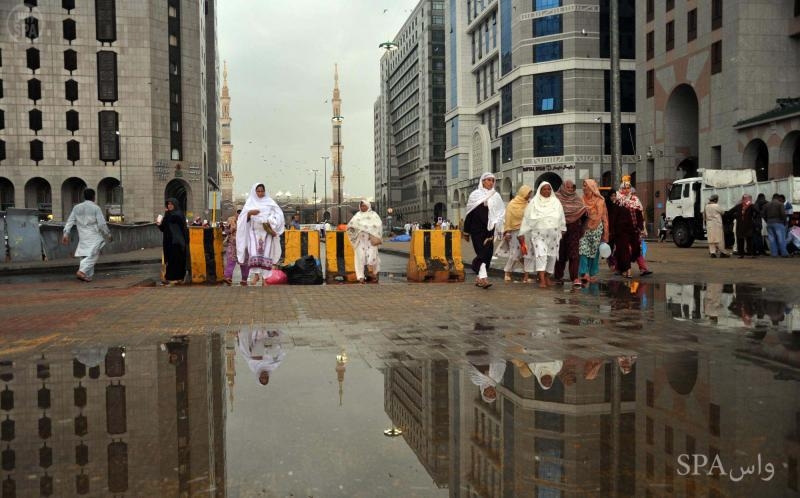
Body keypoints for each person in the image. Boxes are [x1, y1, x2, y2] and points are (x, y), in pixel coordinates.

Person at [237, 183, 285, 286]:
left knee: (266, 254)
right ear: (255, 191)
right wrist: (250, 213)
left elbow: (278, 214)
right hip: (253, 232)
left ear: (264, 191)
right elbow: (242, 218)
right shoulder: (250, 202)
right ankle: (256, 275)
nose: (260, 193)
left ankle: (264, 278)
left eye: (262, 191)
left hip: (266, 232)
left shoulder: (270, 202)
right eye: (258, 191)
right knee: (253, 253)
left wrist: (272, 220)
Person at [519, 181, 566, 288]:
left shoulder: (556, 202)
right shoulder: (534, 202)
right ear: (540, 190)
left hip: (553, 236)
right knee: (541, 255)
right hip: (538, 235)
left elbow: (561, 216)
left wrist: (563, 228)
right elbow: (527, 218)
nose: (547, 191)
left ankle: (547, 277)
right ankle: (542, 280)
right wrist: (522, 232)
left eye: (549, 189)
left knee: (552, 257)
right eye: (544, 189)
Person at [463, 172, 505, 289]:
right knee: (481, 253)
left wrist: (500, 227)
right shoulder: (475, 195)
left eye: (492, 180)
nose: (491, 182)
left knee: (488, 255)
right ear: (482, 181)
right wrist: (466, 231)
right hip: (477, 230)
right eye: (488, 180)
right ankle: (484, 279)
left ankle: (478, 277)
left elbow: (501, 213)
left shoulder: (496, 196)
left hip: (490, 230)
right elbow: (469, 214)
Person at [61, 188, 112, 282]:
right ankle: (82, 271)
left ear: (84, 197)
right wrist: (108, 234)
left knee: (84, 255)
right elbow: (101, 224)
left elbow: (70, 221)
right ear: (94, 197)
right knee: (94, 254)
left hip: (82, 235)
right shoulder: (96, 208)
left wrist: (65, 234)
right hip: (93, 234)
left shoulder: (76, 208)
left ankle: (88, 276)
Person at [496, 185, 534, 283]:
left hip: (527, 232)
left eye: (530, 194)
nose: (529, 196)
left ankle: (526, 276)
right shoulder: (512, 204)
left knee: (527, 253)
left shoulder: (529, 204)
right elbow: (508, 219)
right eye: (528, 193)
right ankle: (507, 272)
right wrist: (507, 232)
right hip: (515, 232)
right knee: (515, 254)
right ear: (523, 193)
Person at [554, 180, 587, 286]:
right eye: (567, 187)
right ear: (563, 187)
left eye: (572, 187)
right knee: (560, 253)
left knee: (574, 254)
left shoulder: (577, 198)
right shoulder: (556, 198)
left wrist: (582, 228)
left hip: (574, 230)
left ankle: (574, 277)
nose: (570, 189)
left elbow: (583, 212)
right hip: (560, 229)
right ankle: (558, 276)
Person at [609, 179, 644, 278]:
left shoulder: (635, 199)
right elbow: (613, 216)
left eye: (628, 188)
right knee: (624, 250)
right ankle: (627, 270)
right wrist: (612, 230)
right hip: (621, 230)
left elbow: (640, 214)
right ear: (621, 189)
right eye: (624, 188)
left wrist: (641, 227)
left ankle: (624, 267)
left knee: (636, 248)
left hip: (634, 229)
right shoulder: (618, 200)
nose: (626, 190)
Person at [578, 179, 609, 283]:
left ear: (591, 187)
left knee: (594, 252)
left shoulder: (600, 201)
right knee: (583, 250)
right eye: (583, 185)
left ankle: (592, 273)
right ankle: (584, 273)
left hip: (597, 230)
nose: (583, 188)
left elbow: (604, 218)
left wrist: (606, 234)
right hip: (584, 229)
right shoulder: (581, 200)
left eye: (585, 185)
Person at [346, 199, 382, 283]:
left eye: (364, 206)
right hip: (360, 241)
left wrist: (370, 230)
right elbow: (350, 226)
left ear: (368, 206)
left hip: (371, 240)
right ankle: (360, 277)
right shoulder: (357, 216)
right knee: (359, 258)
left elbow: (378, 225)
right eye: (361, 206)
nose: (363, 207)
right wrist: (357, 230)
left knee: (372, 257)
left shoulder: (374, 215)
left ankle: (374, 274)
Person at [157, 197, 189, 284]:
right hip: (168, 241)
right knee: (170, 260)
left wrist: (167, 214)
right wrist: (159, 224)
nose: (169, 205)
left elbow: (174, 220)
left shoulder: (178, 214)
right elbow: (163, 228)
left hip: (177, 242)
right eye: (168, 204)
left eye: (171, 204)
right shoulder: (168, 215)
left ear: (175, 205)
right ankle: (171, 278)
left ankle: (177, 278)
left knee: (177, 259)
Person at [223, 208, 249, 285]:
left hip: (244, 245)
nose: (239, 214)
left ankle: (244, 279)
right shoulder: (230, 219)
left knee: (244, 263)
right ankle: (228, 277)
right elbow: (226, 231)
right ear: (235, 213)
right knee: (230, 261)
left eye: (241, 212)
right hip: (232, 244)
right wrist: (231, 230)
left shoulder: (247, 220)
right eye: (238, 212)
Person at [726, 194, 757, 258]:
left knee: (740, 240)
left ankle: (741, 254)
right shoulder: (751, 206)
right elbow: (757, 212)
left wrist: (736, 217)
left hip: (740, 226)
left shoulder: (738, 206)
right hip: (748, 226)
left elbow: (729, 213)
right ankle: (750, 254)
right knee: (749, 240)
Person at [764, 193, 788, 257]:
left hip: (769, 223)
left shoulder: (767, 205)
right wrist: (785, 222)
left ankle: (774, 253)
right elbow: (783, 214)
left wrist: (767, 220)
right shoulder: (780, 204)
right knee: (781, 239)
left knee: (772, 240)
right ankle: (784, 253)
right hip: (778, 223)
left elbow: (763, 214)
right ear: (778, 198)